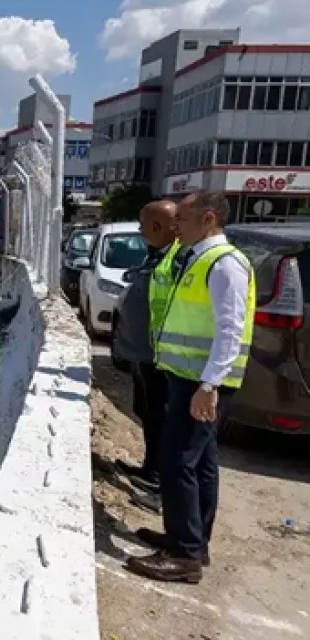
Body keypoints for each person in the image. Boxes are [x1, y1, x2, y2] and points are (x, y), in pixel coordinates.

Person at [125, 191, 255, 584]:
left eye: (183, 217)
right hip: (190, 377)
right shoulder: (199, 257)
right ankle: (193, 540)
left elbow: (230, 330)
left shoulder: (225, 263)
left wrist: (210, 384)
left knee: (178, 459)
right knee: (200, 461)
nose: (175, 224)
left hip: (203, 381)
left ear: (209, 218)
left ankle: (184, 555)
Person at [111, 200, 179, 512]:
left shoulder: (177, 260)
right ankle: (150, 470)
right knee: (147, 411)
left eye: (144, 225)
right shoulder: (157, 256)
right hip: (144, 353)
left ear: (159, 226)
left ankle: (163, 487)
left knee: (163, 420)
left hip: (161, 356)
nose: (140, 230)